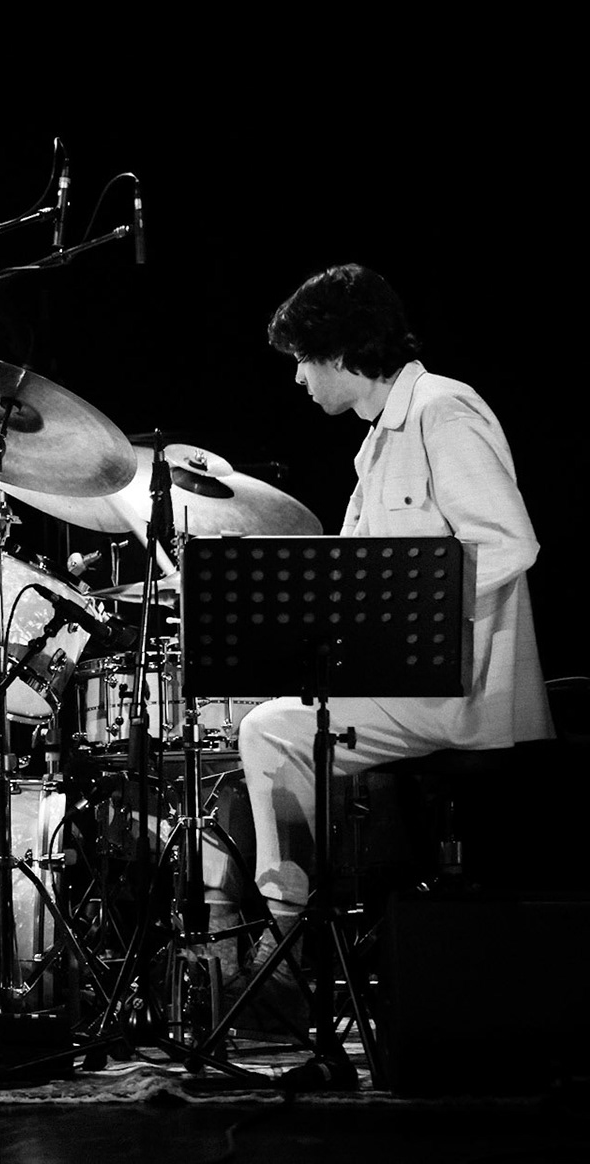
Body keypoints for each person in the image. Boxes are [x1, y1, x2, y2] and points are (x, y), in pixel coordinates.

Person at [208, 264, 555, 1025]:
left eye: (302, 360)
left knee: (269, 729)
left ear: (337, 352)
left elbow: (507, 543)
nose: (298, 380)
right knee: (269, 723)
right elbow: (361, 578)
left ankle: (288, 959)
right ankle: (290, 941)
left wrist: (406, 625)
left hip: (458, 689)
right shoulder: (379, 443)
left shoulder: (443, 411)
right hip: (413, 680)